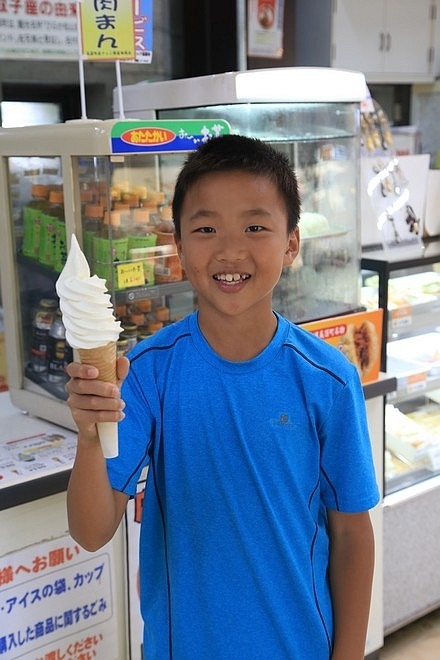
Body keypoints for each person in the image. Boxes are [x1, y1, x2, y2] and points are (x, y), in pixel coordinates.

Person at [66, 134, 379, 659]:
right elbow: (92, 531)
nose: (231, 250)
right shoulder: (146, 373)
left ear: (291, 244)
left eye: (256, 227)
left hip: (297, 645)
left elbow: (351, 534)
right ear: (180, 247)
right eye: (207, 228)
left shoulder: (327, 379)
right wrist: (89, 438)